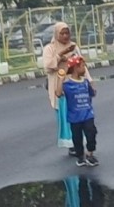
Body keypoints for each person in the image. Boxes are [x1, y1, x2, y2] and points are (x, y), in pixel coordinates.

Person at [43, 22, 92, 156]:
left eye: (67, 33)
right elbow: (48, 66)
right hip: (60, 87)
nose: (65, 36)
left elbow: (82, 65)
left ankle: (80, 142)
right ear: (56, 34)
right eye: (62, 33)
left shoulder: (74, 47)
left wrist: (89, 81)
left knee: (80, 113)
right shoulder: (50, 48)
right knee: (65, 116)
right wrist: (61, 55)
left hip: (76, 86)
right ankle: (70, 144)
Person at [55, 56, 99, 167]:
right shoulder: (67, 84)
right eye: (83, 66)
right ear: (75, 68)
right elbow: (59, 93)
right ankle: (80, 156)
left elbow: (92, 93)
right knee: (77, 137)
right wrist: (61, 78)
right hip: (75, 117)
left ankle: (90, 153)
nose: (85, 68)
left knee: (91, 132)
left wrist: (93, 88)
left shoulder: (85, 82)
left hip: (88, 114)